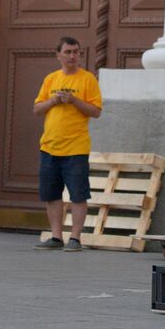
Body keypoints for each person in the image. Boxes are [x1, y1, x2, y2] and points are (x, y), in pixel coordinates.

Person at [33, 36, 102, 252]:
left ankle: (75, 238)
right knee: (51, 194)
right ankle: (56, 236)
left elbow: (96, 111)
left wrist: (73, 100)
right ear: (59, 55)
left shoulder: (87, 79)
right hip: (50, 145)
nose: (72, 56)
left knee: (78, 194)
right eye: (68, 52)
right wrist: (53, 101)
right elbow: (37, 108)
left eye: (76, 52)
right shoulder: (51, 79)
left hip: (76, 147)